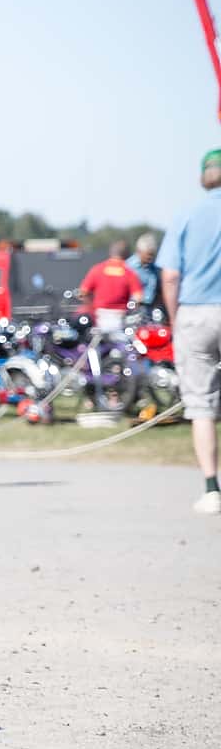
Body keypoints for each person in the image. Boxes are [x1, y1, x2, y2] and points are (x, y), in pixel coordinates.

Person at [160, 148, 221, 514]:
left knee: (201, 405)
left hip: (196, 313)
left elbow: (170, 275)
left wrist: (174, 316)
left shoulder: (187, 215)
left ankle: (212, 488)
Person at [78, 240, 142, 334]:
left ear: (111, 252)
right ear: (127, 254)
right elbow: (138, 298)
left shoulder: (97, 269)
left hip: (99, 317)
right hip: (120, 318)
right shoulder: (129, 273)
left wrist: (91, 308)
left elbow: (82, 293)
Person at [129, 233, 164, 314]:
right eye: (148, 255)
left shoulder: (155, 268)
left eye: (152, 255)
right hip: (134, 309)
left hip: (151, 310)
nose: (150, 258)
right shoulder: (129, 268)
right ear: (139, 251)